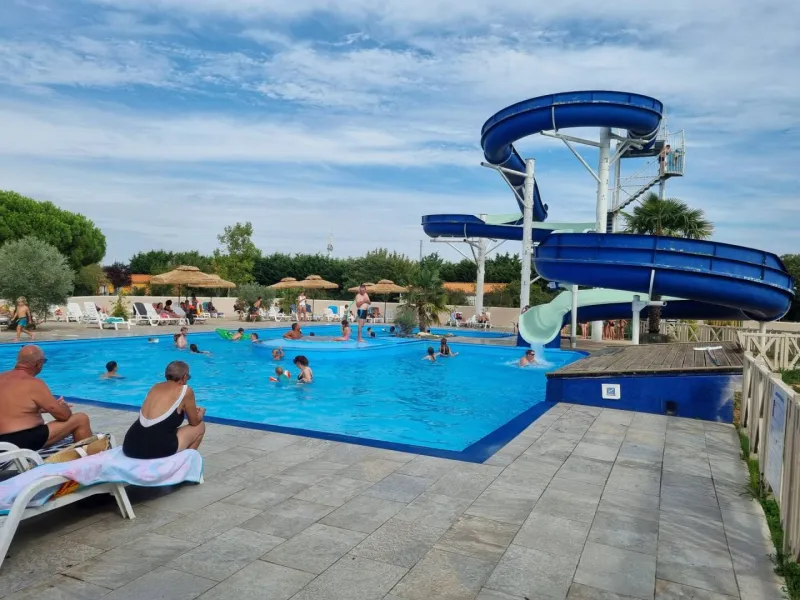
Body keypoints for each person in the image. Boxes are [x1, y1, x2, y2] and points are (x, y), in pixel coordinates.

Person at [0, 346, 93, 450]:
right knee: (81, 419)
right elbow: (63, 416)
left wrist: (40, 409)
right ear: (39, 363)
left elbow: (11, 407)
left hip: (2, 443)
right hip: (21, 441)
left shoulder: (1, 377)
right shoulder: (34, 383)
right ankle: (88, 459)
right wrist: (63, 407)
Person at [122, 361, 205, 459]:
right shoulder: (185, 390)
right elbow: (194, 422)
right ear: (184, 376)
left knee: (163, 429)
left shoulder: (155, 387)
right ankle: (185, 465)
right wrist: (201, 412)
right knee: (200, 426)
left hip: (130, 445)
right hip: (156, 448)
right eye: (188, 377)